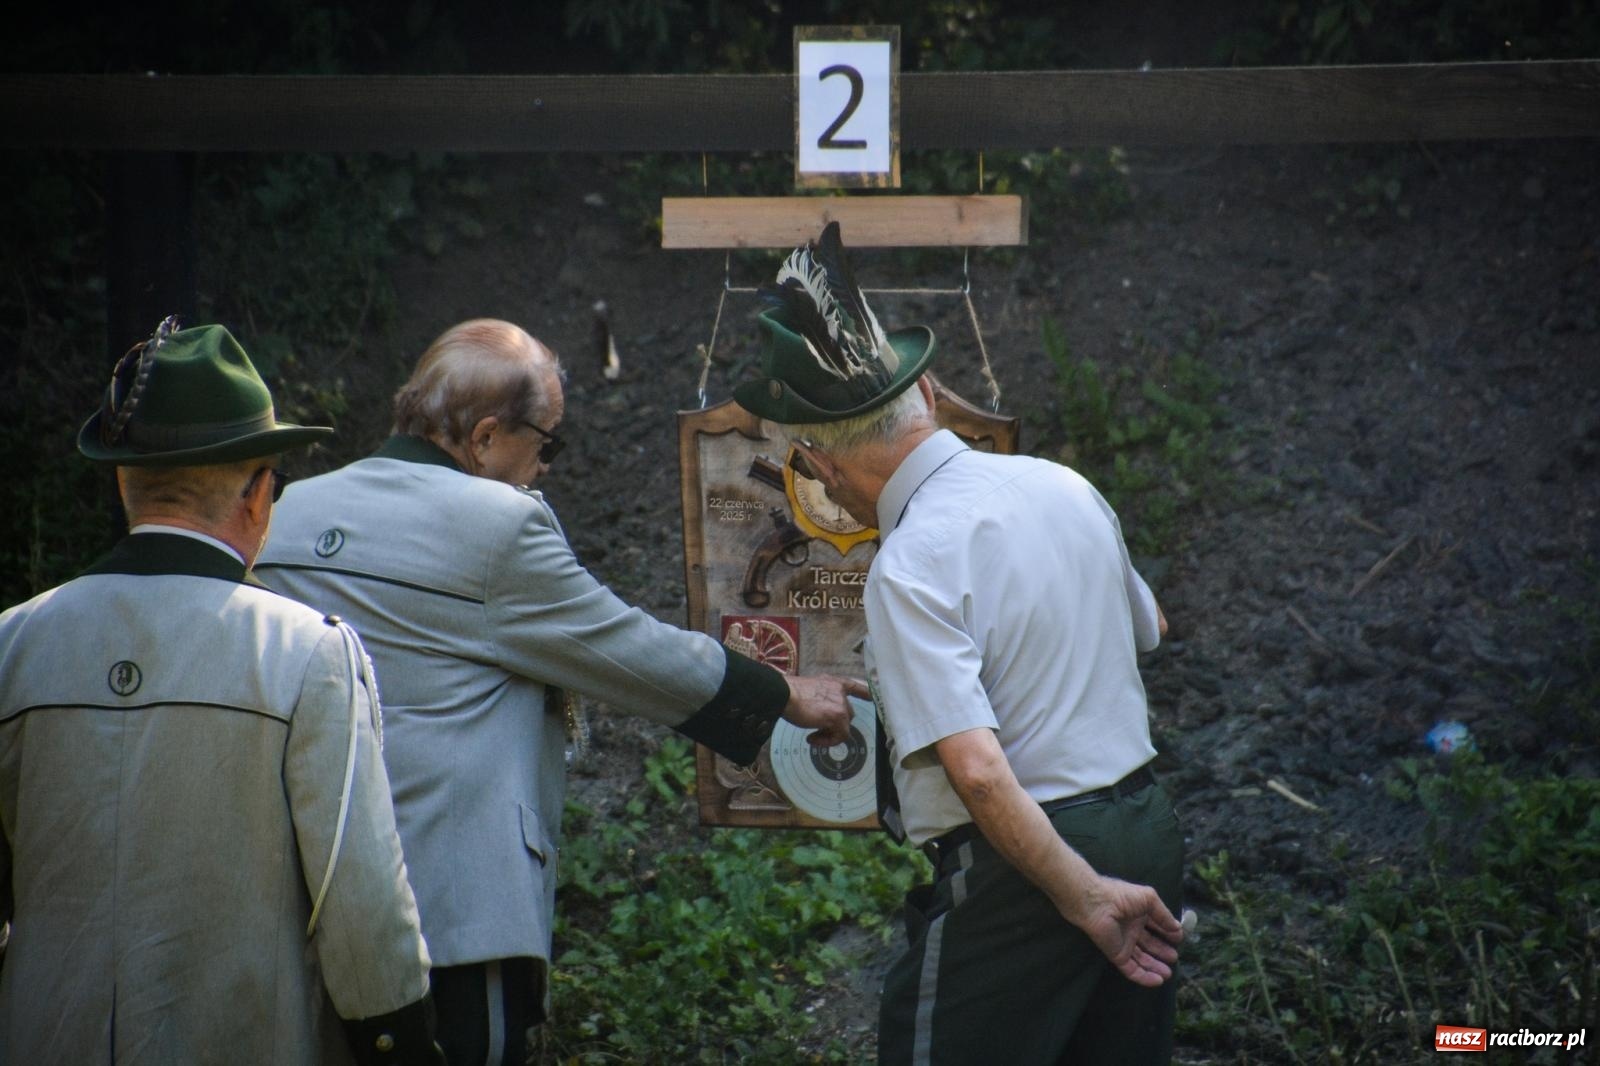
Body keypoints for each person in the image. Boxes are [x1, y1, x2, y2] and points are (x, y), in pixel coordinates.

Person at [256, 317, 858, 1066]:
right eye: (545, 443)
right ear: (482, 438)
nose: (544, 469)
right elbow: (623, 648)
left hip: (302, 902)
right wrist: (783, 693)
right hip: (448, 915)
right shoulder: (498, 528)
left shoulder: (286, 515)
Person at [732, 223, 1186, 1065]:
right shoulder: (1063, 483)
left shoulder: (907, 564)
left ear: (824, 472)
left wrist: (1082, 895)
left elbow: (976, 768)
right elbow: (1147, 628)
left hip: (1033, 868)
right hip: (1148, 824)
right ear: (931, 396)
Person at [0, 320, 442, 1066]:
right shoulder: (309, 655)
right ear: (260, 494)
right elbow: (361, 904)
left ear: (122, 480)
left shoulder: (14, 643)